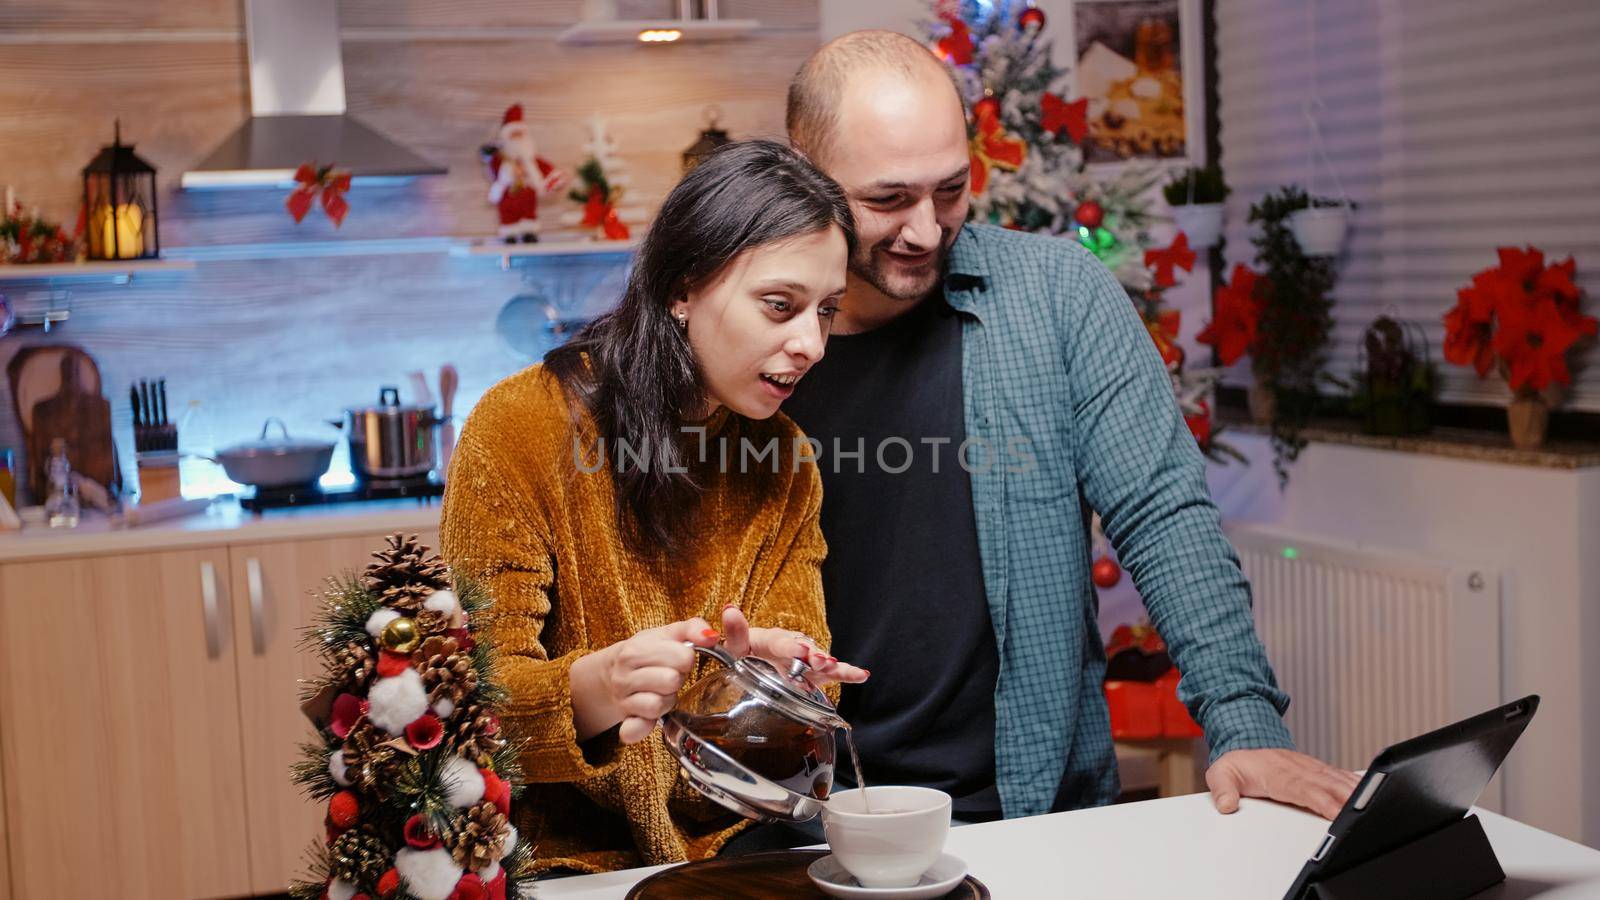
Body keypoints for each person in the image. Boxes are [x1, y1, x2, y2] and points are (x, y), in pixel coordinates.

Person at [777, 31, 1358, 827]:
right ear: (802, 170)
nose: (924, 230)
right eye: (887, 201)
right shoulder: (746, 336)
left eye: (950, 190)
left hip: (1031, 813)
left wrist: (1243, 721)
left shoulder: (1059, 295)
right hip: (802, 821)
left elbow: (1164, 516)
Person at [440, 139, 868, 875]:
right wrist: (598, 689)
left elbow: (797, 732)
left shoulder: (786, 460)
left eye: (826, 312)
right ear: (682, 288)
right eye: (780, 305)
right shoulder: (520, 429)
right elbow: (469, 707)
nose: (811, 344)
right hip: (555, 858)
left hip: (734, 843)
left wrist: (764, 688)